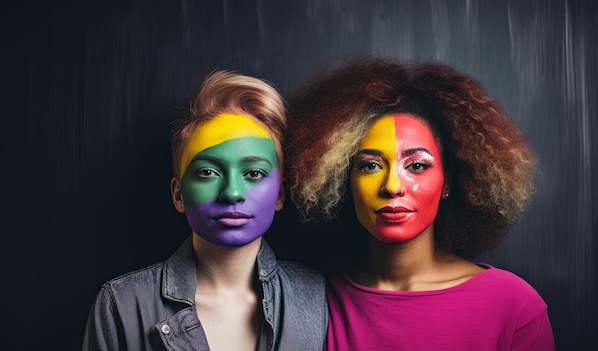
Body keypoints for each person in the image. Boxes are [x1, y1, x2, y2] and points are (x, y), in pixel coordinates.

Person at [285, 58, 555, 350]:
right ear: (341, 179)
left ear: (448, 182)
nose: (392, 186)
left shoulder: (514, 307)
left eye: (416, 166)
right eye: (370, 166)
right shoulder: (311, 304)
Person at [83, 70, 328, 351]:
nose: (232, 192)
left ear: (280, 194)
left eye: (254, 173)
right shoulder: (121, 305)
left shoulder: (316, 298)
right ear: (178, 195)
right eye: (208, 172)